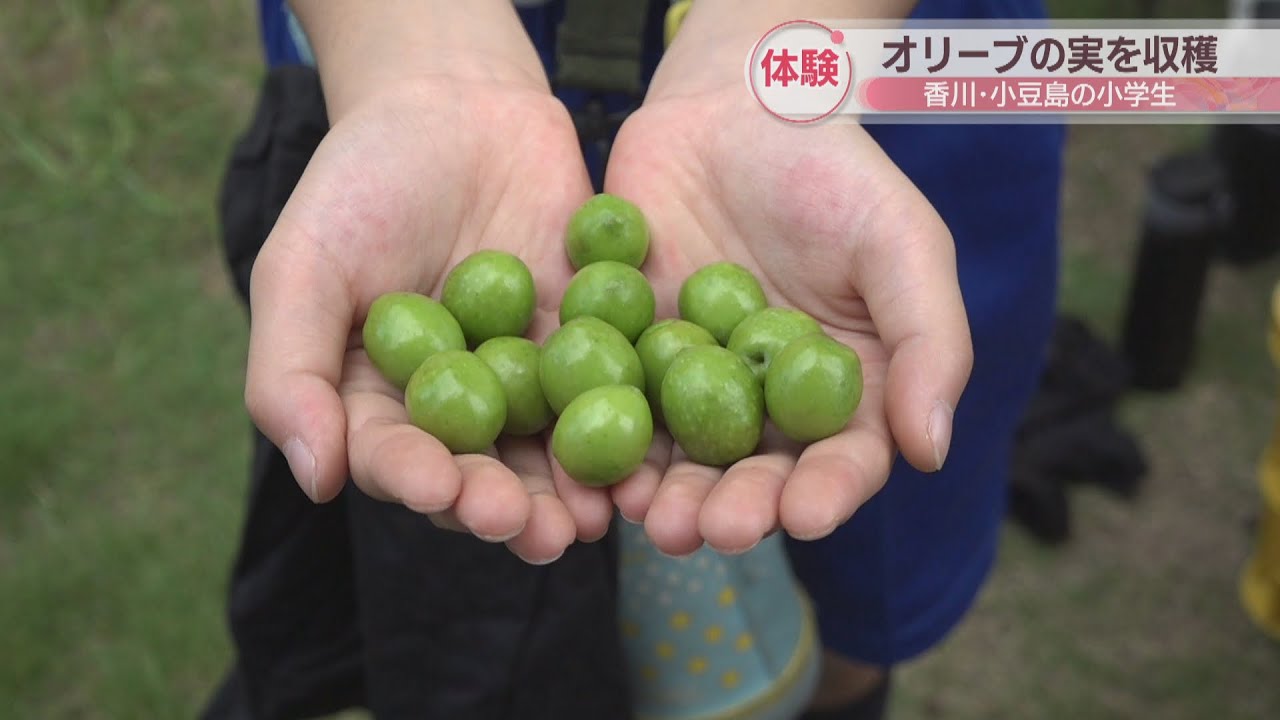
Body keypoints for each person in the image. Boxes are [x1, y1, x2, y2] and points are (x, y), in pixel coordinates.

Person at [207, 0, 1063, 718]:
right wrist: (418, 55)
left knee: (855, 610)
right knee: (493, 632)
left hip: (839, 104)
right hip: (414, 96)